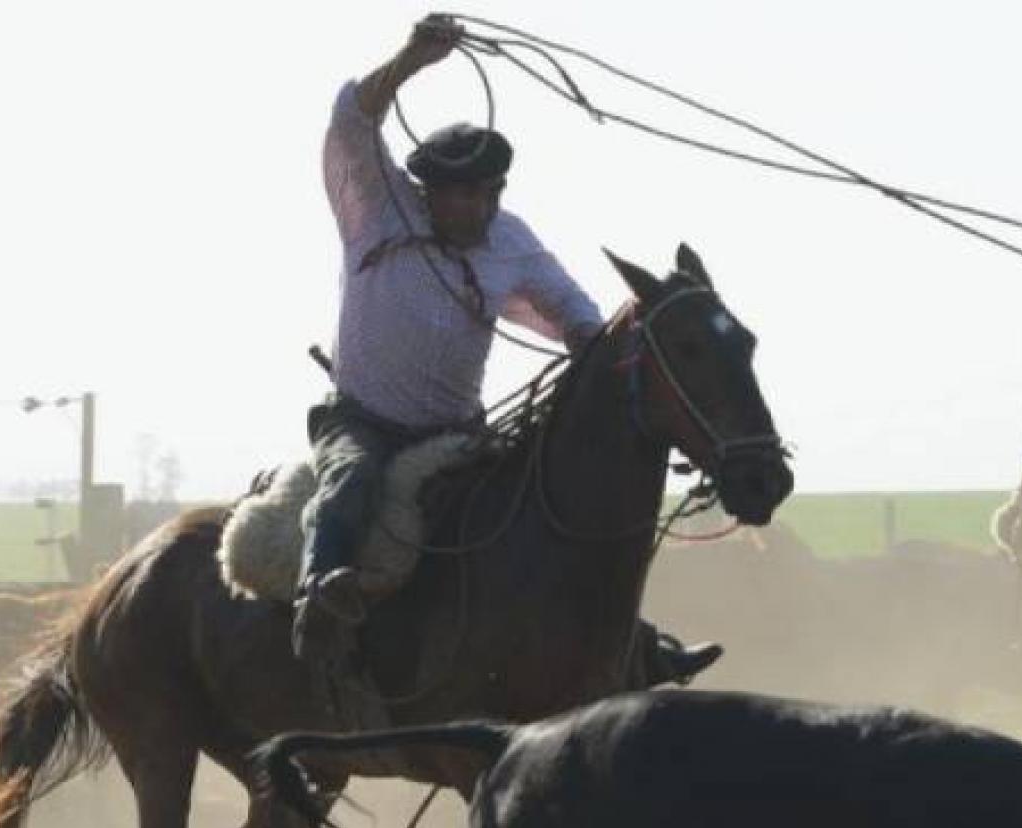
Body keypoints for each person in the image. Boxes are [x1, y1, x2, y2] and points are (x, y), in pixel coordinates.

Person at [294, 12, 721, 689]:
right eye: (459, 194)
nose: (474, 207)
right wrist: (412, 59)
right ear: (428, 190)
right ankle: (318, 601)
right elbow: (352, 119)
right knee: (350, 485)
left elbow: (575, 312)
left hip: (459, 432)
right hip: (364, 422)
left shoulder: (510, 240)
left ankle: (633, 646)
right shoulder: (376, 206)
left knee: (542, 517)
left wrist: (597, 348)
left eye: (486, 193)